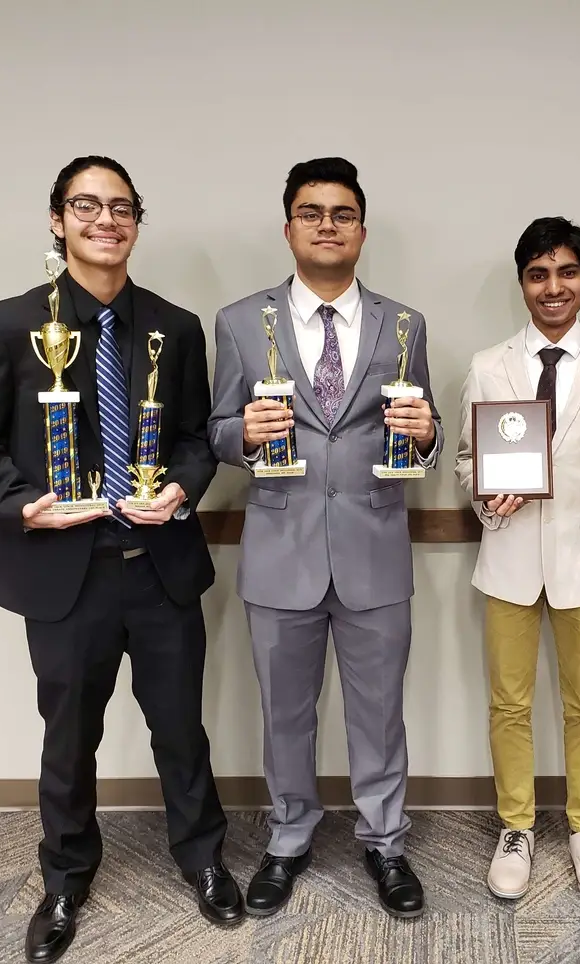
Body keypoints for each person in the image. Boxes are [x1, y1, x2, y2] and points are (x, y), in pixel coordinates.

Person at [0, 156, 243, 963]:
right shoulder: (11, 325)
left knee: (180, 728)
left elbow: (195, 437)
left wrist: (179, 489)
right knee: (68, 735)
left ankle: (204, 860)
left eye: (121, 207)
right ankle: (65, 879)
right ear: (58, 220)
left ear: (137, 223)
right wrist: (19, 502)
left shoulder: (174, 326)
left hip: (159, 564)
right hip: (64, 572)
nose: (105, 220)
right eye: (86, 205)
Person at [208, 156, 442, 919]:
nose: (327, 225)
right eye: (311, 213)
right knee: (285, 712)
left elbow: (425, 427)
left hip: (375, 547)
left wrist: (427, 432)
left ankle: (386, 842)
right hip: (281, 551)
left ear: (362, 231)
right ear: (289, 229)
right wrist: (242, 433)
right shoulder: (241, 322)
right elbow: (216, 428)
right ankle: (288, 839)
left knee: (379, 712)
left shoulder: (405, 324)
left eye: (342, 214)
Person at [455, 217, 580, 904]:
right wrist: (486, 496)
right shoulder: (489, 365)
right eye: (539, 274)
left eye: (567, 272)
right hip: (509, 554)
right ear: (523, 284)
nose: (553, 287)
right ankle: (516, 826)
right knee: (508, 702)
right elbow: (467, 461)